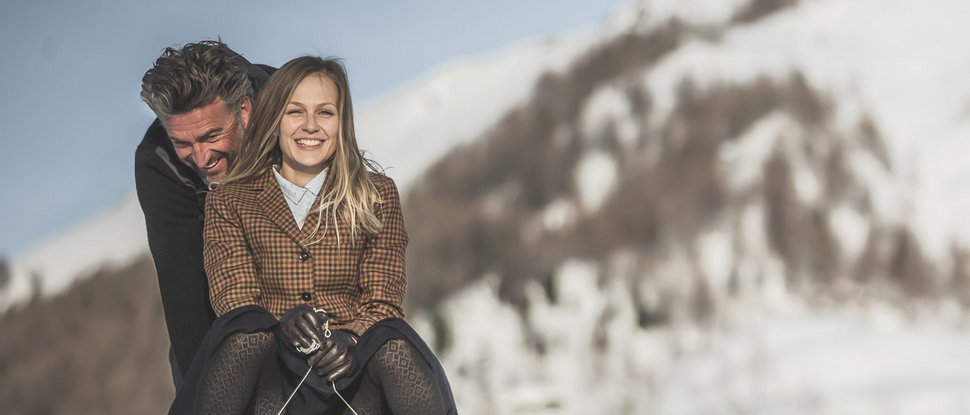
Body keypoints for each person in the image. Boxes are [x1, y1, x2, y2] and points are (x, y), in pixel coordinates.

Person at [169, 56, 457, 414]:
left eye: (324, 113)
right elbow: (234, 299)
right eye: (295, 112)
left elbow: (383, 297)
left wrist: (349, 337)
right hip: (271, 366)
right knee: (243, 334)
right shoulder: (229, 199)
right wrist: (282, 324)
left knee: (395, 342)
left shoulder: (376, 194)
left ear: (341, 122)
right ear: (275, 119)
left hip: (351, 363)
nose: (310, 126)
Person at [136, 40, 274, 386]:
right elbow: (187, 309)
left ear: (244, 111)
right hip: (228, 308)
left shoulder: (298, 109)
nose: (200, 158)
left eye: (211, 135)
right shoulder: (159, 162)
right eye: (183, 143)